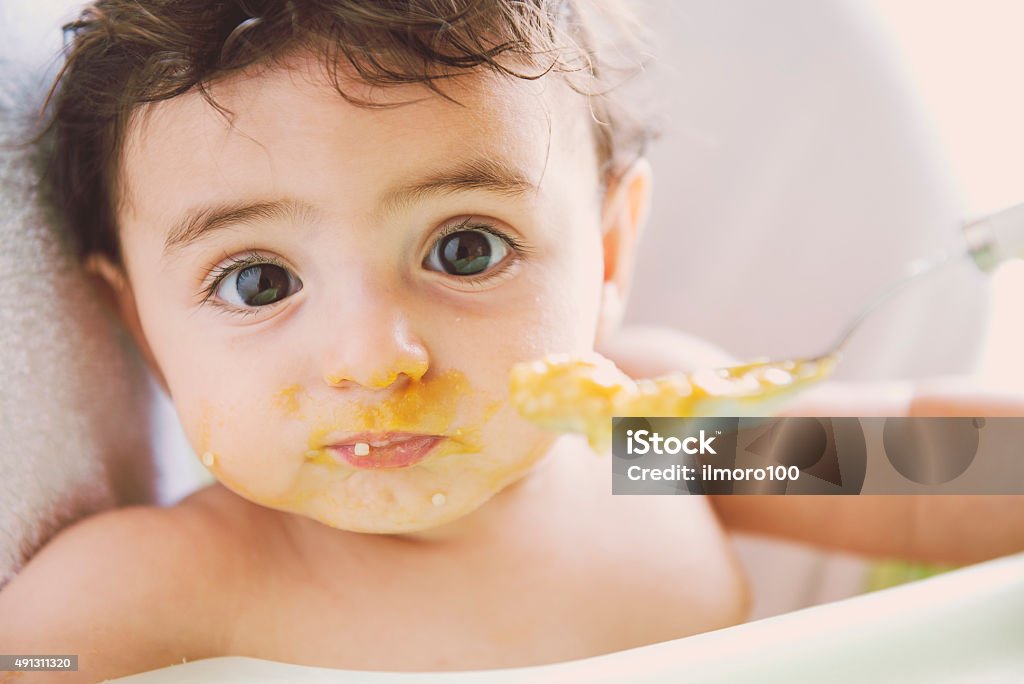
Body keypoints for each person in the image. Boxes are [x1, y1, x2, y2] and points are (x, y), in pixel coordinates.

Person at [0, 1, 1020, 681]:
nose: (374, 357)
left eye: (466, 249)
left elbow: (927, 476)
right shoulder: (174, 583)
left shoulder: (648, 436)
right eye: (258, 281)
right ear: (141, 324)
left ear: (609, 254)